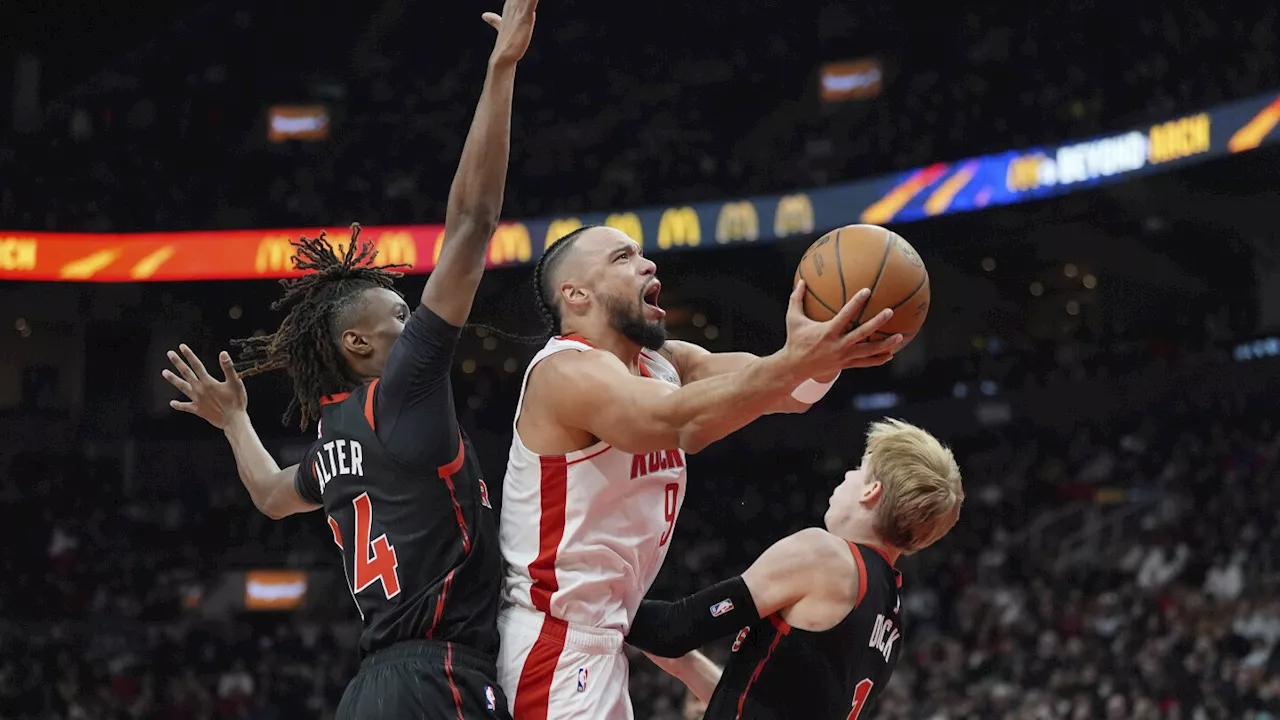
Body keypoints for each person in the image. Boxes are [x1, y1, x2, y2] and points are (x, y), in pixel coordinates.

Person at [159, 3, 537, 717]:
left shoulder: (333, 443)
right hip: (437, 677)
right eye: (397, 316)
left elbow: (272, 495)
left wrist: (236, 420)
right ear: (356, 345)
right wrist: (500, 70)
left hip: (371, 690)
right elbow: (471, 224)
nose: (412, 320)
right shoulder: (401, 392)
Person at [496, 223, 906, 719]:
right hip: (552, 640)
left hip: (603, 642)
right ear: (576, 293)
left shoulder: (666, 364)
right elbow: (680, 421)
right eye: (622, 258)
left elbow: (789, 392)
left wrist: (823, 354)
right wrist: (792, 363)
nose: (647, 264)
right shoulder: (564, 372)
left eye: (642, 254)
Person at [629, 419, 964, 720]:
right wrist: (686, 666)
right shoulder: (890, 613)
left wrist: (588, 591)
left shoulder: (825, 555)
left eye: (859, 468)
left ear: (871, 490)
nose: (847, 475)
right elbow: (769, 706)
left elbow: (672, 630)